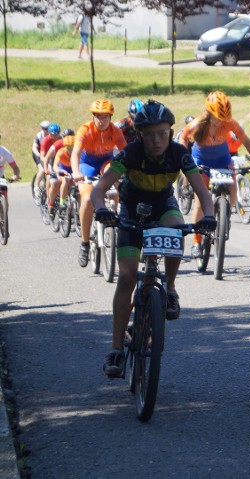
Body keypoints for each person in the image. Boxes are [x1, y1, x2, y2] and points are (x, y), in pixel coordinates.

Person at [92, 100, 216, 378]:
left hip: (163, 205)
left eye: (162, 133)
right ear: (139, 135)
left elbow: (202, 192)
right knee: (126, 277)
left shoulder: (179, 154)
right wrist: (101, 209)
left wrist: (208, 215)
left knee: (176, 225)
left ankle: (170, 289)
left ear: (170, 132)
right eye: (150, 134)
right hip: (130, 211)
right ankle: (115, 350)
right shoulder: (130, 154)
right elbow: (99, 189)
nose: (157, 140)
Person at [179, 91, 250, 258]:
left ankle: (226, 215)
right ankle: (196, 241)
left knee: (232, 186)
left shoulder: (230, 122)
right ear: (210, 113)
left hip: (222, 159)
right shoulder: (199, 123)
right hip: (201, 159)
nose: (221, 121)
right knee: (200, 202)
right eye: (218, 117)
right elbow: (184, 137)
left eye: (224, 118)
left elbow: (245, 139)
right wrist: (185, 158)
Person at [71, 99, 128, 267]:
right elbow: (75, 153)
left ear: (110, 117)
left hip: (106, 162)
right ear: (93, 116)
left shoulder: (116, 131)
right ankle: (85, 243)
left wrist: (131, 170)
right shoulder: (85, 130)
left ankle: (115, 219)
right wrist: (76, 172)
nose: (102, 121)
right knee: (88, 199)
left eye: (105, 117)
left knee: (116, 182)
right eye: (98, 117)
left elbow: (126, 153)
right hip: (87, 165)